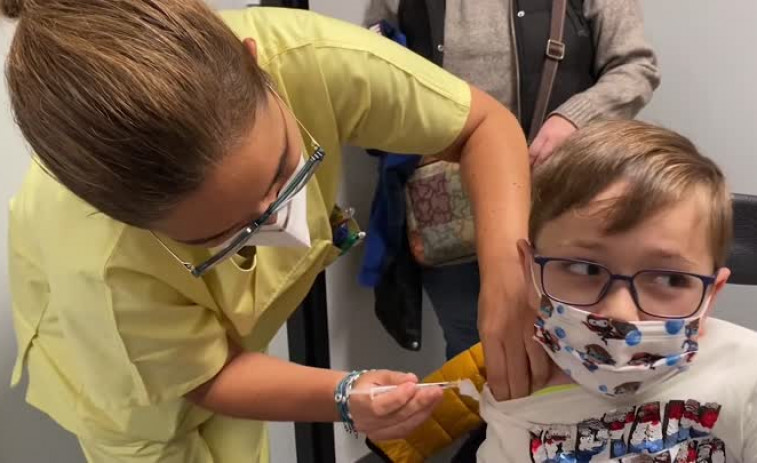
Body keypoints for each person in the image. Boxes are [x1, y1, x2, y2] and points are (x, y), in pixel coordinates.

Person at [1, 0, 545, 461]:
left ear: (255, 63)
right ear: (132, 223)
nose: (279, 220)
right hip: (144, 408)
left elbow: (482, 125)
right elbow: (204, 376)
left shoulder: (310, 59)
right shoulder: (101, 261)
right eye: (229, 232)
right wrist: (343, 395)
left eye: (286, 171)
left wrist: (504, 278)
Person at [369, 120, 757, 462]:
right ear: (528, 270)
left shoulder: (745, 377)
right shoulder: (513, 357)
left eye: (670, 280)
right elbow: (405, 430)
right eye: (584, 268)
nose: (620, 314)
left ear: (712, 293)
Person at [363, 0, 660, 382]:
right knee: (473, 351)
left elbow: (636, 68)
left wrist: (575, 117)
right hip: (448, 211)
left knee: (577, 350)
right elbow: (373, 73)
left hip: (561, 204)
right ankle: (489, 441)